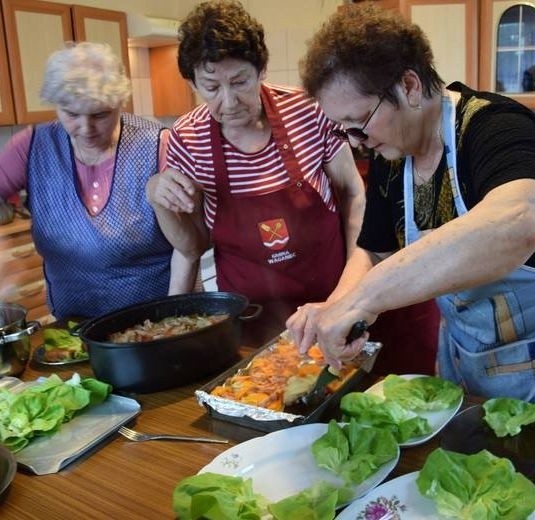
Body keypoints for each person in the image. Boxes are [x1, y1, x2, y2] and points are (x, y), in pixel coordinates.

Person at [288, 4, 535, 519]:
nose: (358, 141)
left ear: (410, 86)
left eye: (360, 122)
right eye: (344, 130)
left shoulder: (495, 128)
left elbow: (524, 220)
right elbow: (373, 249)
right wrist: (338, 305)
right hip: (470, 352)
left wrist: (366, 299)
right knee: (469, 489)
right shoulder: (395, 161)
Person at [146, 0, 440, 365]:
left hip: (331, 302)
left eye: (240, 82)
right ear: (192, 82)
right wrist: (174, 332)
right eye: (211, 87)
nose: (229, 101)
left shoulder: (307, 110)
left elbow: (352, 193)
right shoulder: (186, 139)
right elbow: (190, 246)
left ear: (261, 69)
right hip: (253, 321)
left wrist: (352, 294)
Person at [0, 41, 189, 321]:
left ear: (120, 103)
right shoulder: (30, 147)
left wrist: (176, 321)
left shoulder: (157, 145)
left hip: (154, 323)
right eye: (71, 114)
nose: (86, 129)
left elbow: (188, 247)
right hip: (74, 327)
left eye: (100, 114)